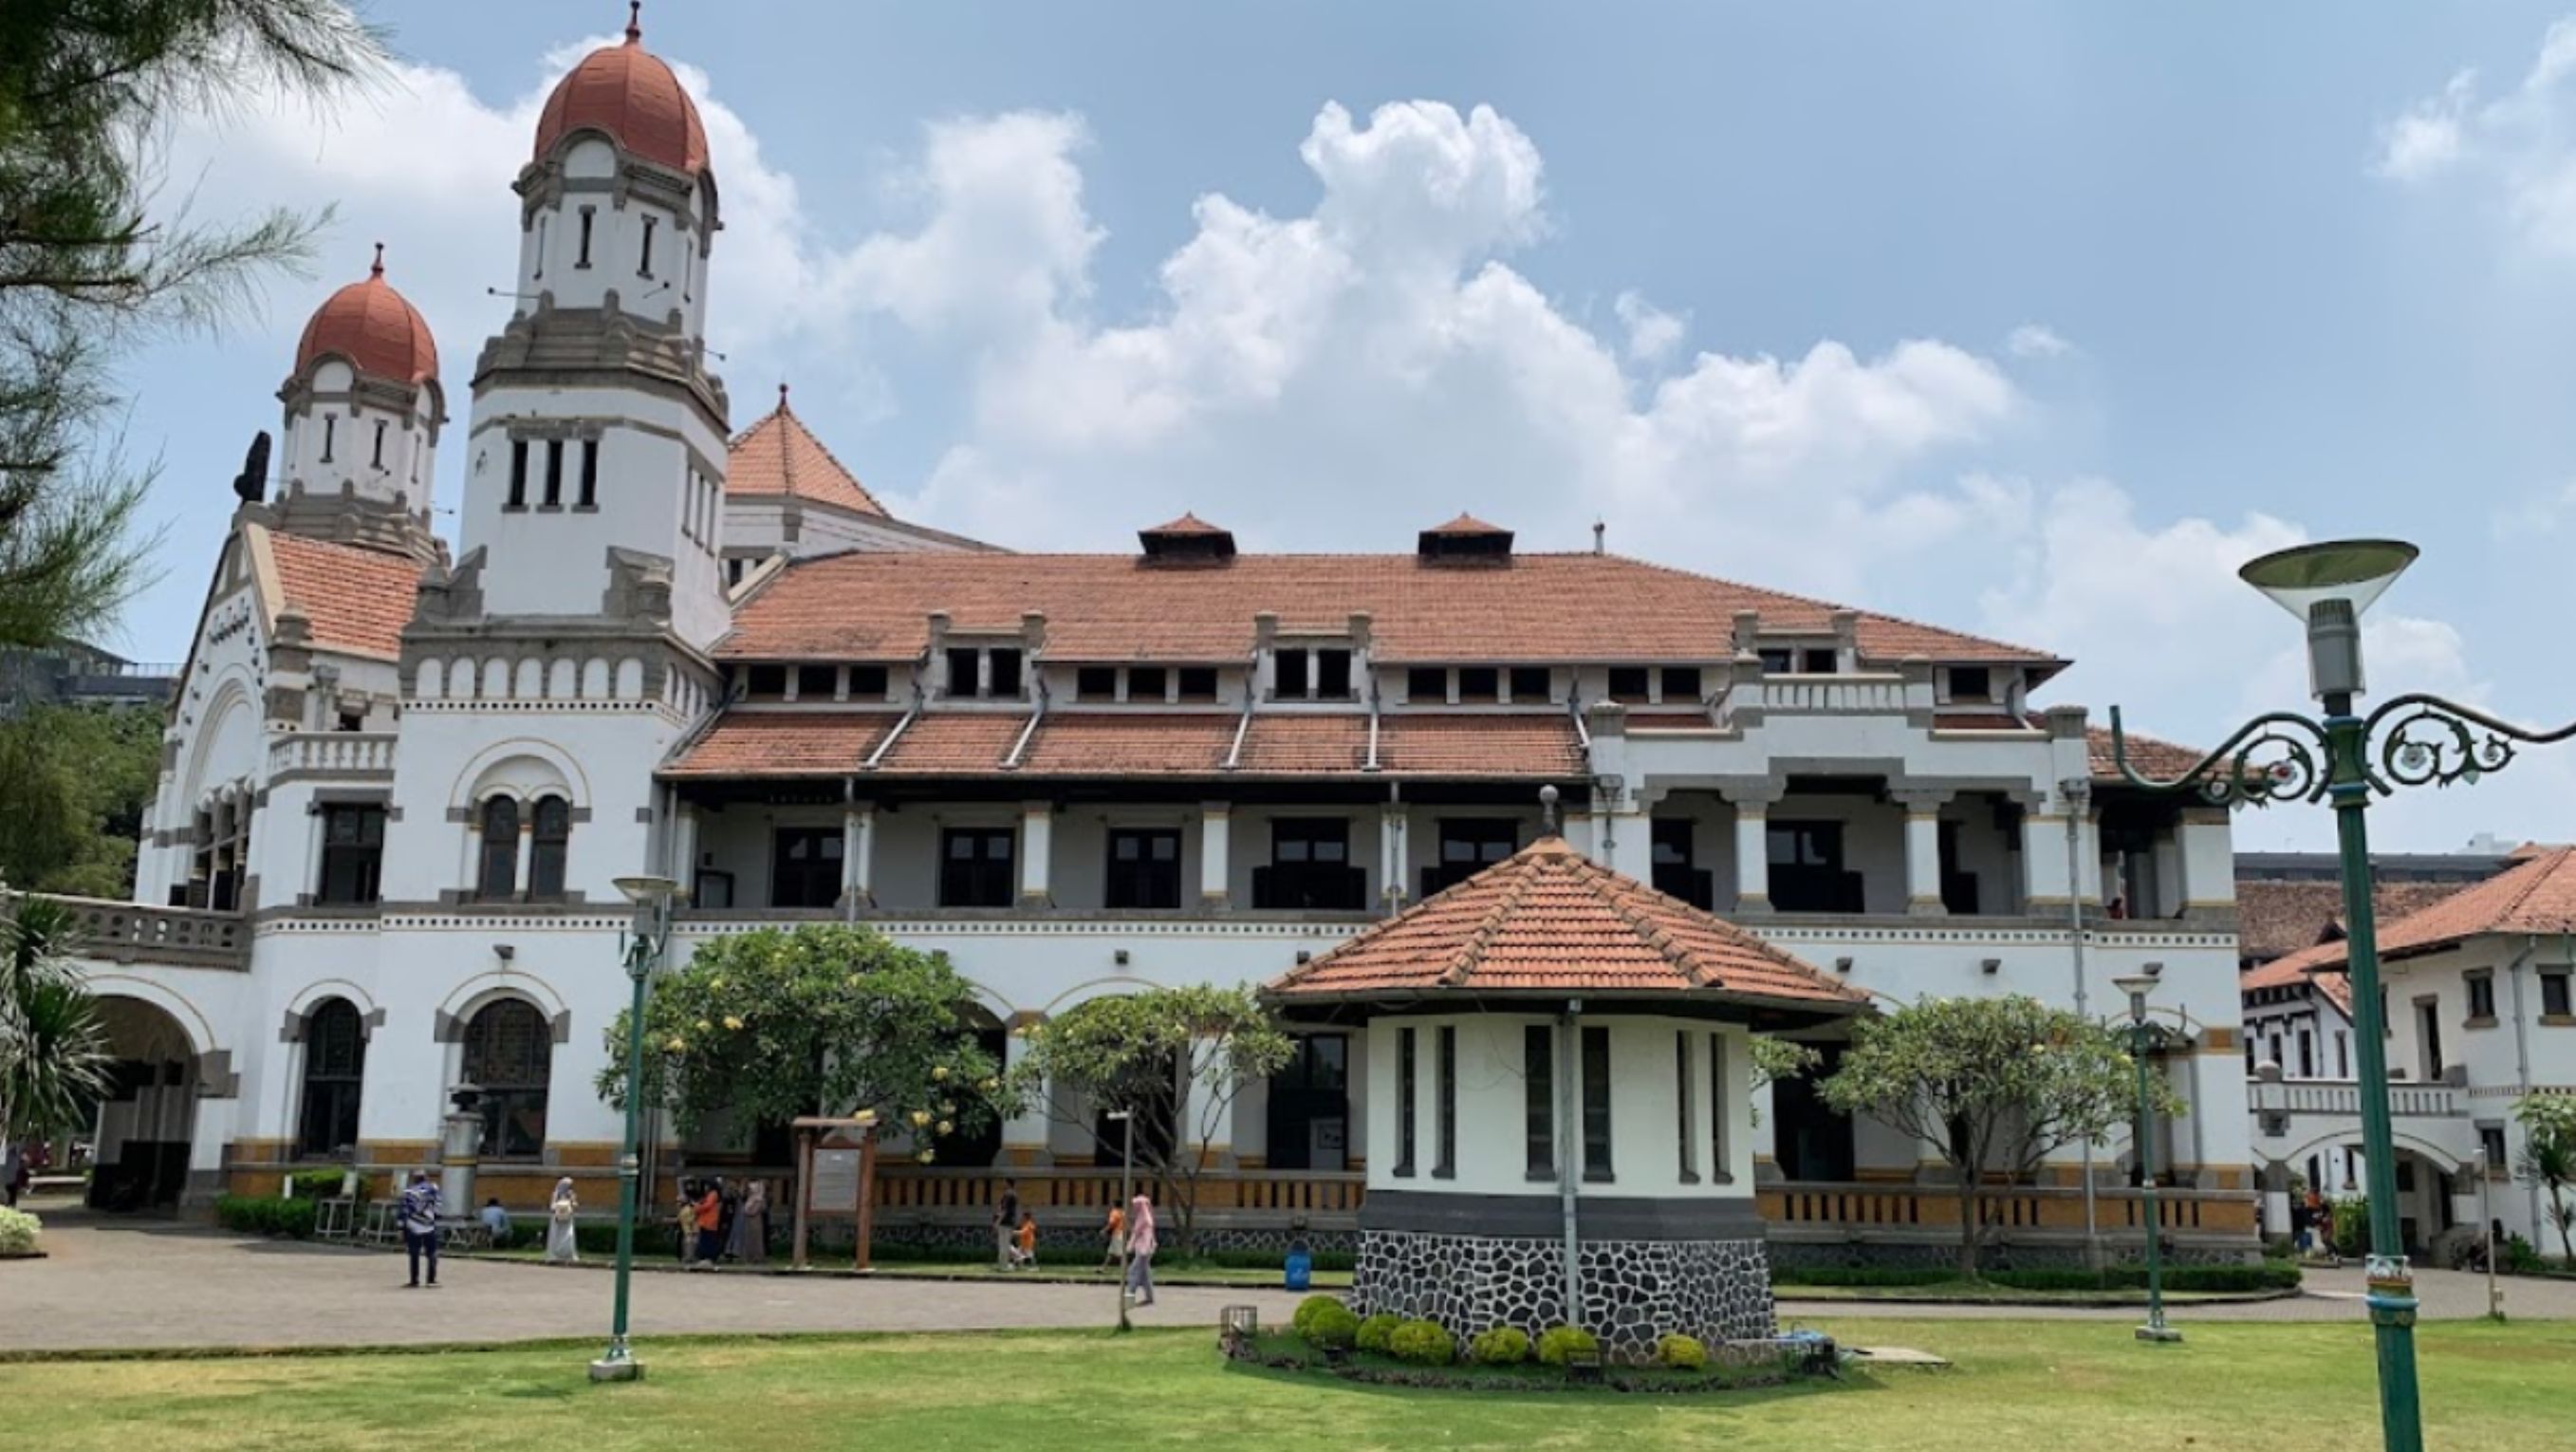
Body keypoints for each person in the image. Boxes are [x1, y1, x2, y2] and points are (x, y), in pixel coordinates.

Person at [398, 1171, 441, 1289]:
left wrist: (401, 1228)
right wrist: (434, 1217)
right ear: (425, 1178)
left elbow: (403, 1211)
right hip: (429, 1225)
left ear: (414, 1179)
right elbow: (438, 1206)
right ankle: (431, 1280)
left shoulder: (408, 1191)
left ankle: (414, 1280)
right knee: (432, 1253)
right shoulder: (433, 1189)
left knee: (414, 1254)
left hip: (412, 1226)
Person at [1123, 1191, 1157, 1308]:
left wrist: (1135, 1248)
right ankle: (1149, 1297)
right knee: (1145, 1276)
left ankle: (1129, 1299)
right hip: (1143, 1250)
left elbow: (1146, 1237)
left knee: (1133, 1272)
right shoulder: (1143, 1218)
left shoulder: (1144, 1220)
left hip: (1143, 1251)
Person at [732, 1180, 769, 1265]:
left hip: (755, 1221)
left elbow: (753, 1211)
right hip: (749, 1221)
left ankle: (757, 1258)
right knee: (748, 1239)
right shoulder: (750, 1199)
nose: (749, 1191)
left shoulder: (759, 1199)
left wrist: (747, 1211)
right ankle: (749, 1257)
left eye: (751, 1190)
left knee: (756, 1239)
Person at [547, 1177, 580, 1264]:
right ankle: (555, 1254)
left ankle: (568, 1254)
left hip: (567, 1219)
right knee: (556, 1236)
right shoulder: (556, 1194)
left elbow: (575, 1204)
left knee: (569, 1235)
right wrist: (557, 1207)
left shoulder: (571, 1194)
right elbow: (552, 1205)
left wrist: (571, 1205)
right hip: (557, 1219)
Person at [695, 1180, 724, 1266]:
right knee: (705, 1239)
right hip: (706, 1221)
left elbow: (708, 1205)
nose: (705, 1188)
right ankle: (705, 1257)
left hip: (709, 1221)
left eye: (706, 1186)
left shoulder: (713, 1194)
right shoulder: (710, 1195)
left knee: (708, 1240)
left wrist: (697, 1207)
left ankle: (708, 1257)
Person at [994, 1178, 1021, 1270]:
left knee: (1003, 1245)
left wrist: (998, 1221)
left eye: (1004, 1182)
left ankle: (1003, 1265)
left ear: (1007, 1183)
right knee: (1006, 1244)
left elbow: (1004, 1210)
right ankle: (1014, 1258)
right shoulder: (1014, 1194)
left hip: (1005, 1222)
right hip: (1010, 1222)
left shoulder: (1008, 1194)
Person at [677, 1182, 701, 1267]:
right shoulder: (687, 1209)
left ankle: (689, 1257)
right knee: (690, 1243)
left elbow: (688, 1220)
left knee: (689, 1243)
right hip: (691, 1228)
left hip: (690, 1229)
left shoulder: (686, 1210)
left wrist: (689, 1230)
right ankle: (689, 1257)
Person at [1101, 1200, 1126, 1273]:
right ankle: (1103, 1268)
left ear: (1114, 1204)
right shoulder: (1123, 1212)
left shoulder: (1114, 1212)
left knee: (1120, 1254)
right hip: (1121, 1233)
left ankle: (1126, 1270)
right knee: (1111, 1253)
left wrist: (1104, 1230)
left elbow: (1112, 1223)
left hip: (1117, 1234)